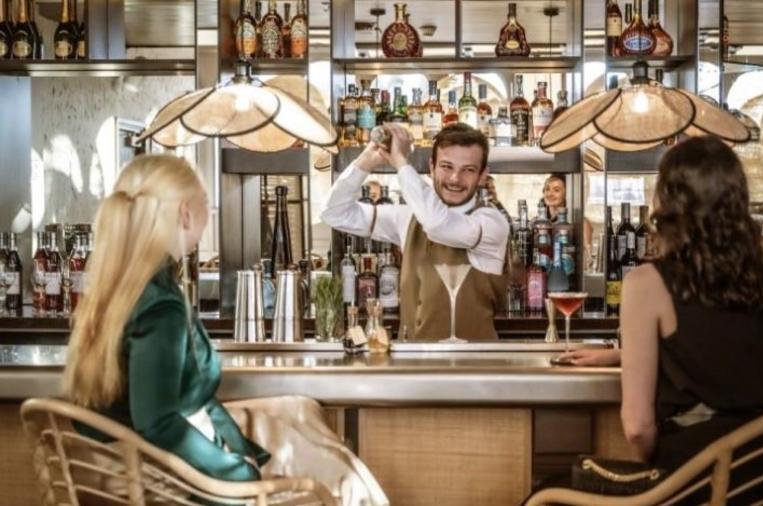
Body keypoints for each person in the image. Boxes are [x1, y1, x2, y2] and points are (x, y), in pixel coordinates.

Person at [63, 155, 384, 502]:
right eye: (206, 203)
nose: (209, 212)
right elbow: (157, 423)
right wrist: (238, 471)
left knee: (303, 424)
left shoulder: (117, 289)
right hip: (162, 487)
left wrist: (246, 449)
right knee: (338, 483)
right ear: (185, 213)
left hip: (112, 475)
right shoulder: (160, 305)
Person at [550, 136, 763, 503]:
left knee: (548, 489)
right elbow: (718, 345)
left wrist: (660, 476)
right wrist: (624, 355)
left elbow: (637, 429)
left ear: (668, 203)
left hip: (695, 486)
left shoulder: (648, 283)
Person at [322, 123, 509, 340]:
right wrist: (366, 161)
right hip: (412, 364)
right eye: (447, 167)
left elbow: (438, 225)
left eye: (468, 170)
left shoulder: (491, 222)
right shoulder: (407, 217)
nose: (455, 179)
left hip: (474, 367)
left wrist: (401, 162)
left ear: (483, 175)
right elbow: (334, 213)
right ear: (431, 167)